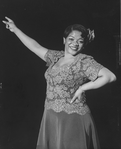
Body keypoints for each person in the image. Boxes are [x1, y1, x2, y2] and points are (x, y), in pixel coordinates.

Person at [2, 17, 116, 149]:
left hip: (73, 118)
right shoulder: (55, 57)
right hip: (51, 115)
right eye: (71, 39)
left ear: (83, 44)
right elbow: (35, 47)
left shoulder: (83, 61)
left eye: (80, 41)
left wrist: (83, 87)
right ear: (64, 40)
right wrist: (15, 30)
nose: (75, 43)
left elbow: (110, 76)